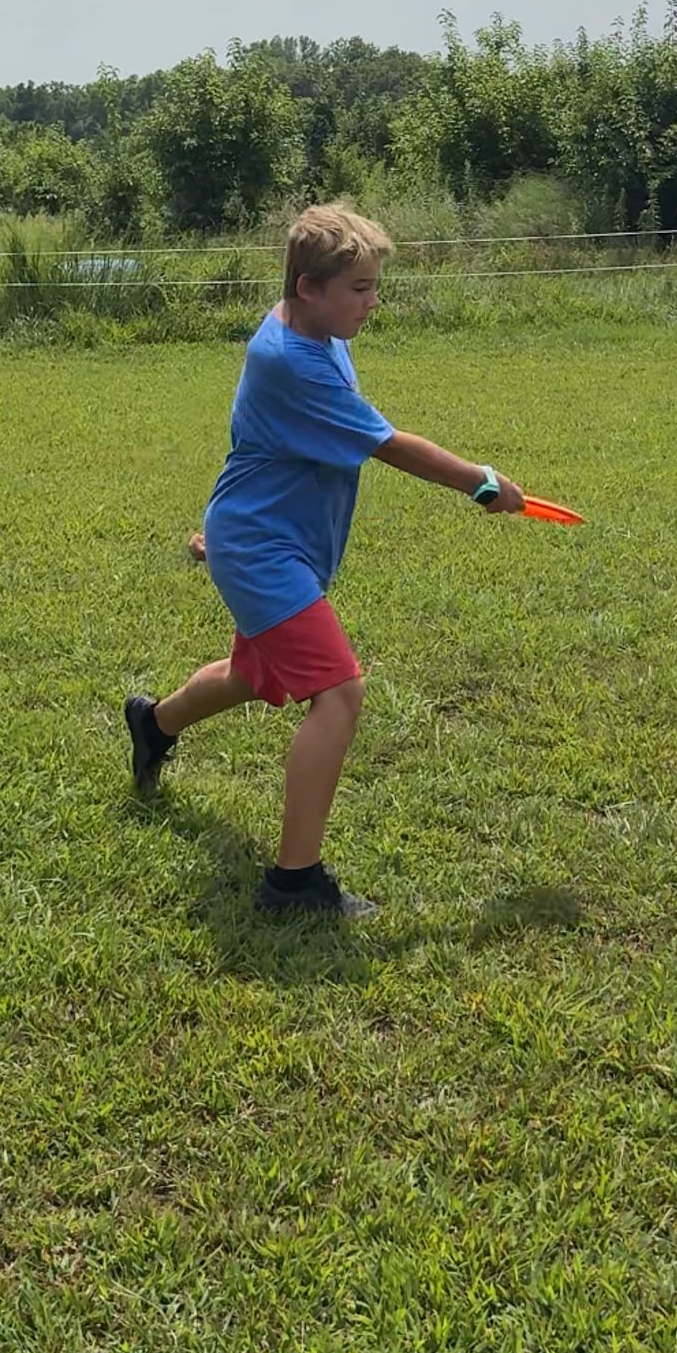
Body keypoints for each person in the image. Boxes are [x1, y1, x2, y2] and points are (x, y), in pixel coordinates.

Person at [126, 205, 524, 919]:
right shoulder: (292, 358)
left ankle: (154, 724)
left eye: (374, 287)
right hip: (262, 549)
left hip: (264, 538)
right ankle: (294, 884)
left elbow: (258, 437)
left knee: (252, 673)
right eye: (360, 289)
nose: (373, 303)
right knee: (338, 692)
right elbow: (388, 443)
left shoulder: (304, 325)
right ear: (308, 286)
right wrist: (481, 481)